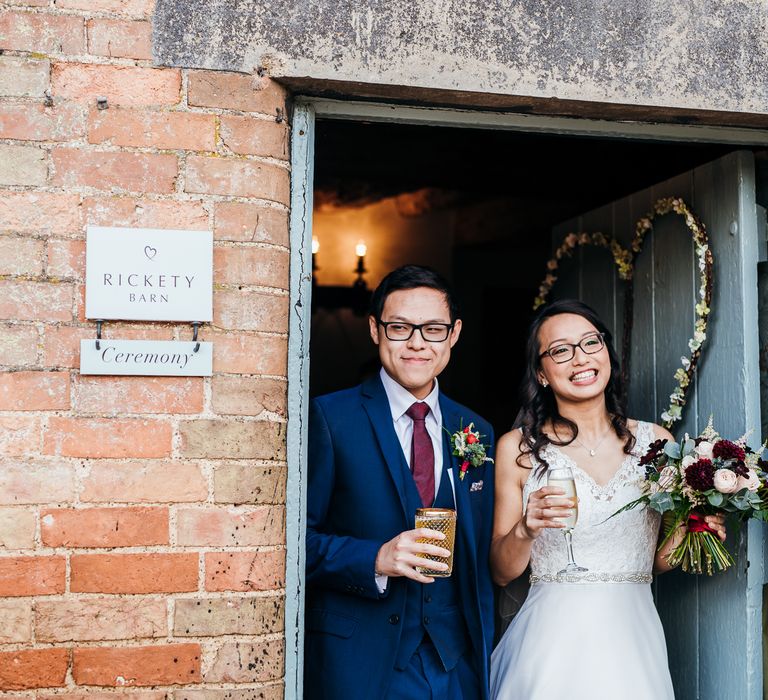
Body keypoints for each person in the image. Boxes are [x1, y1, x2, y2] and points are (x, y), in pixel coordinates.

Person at [489, 299, 726, 699]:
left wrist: (696, 529)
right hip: (551, 645)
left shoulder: (657, 444)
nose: (580, 359)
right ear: (542, 374)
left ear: (608, 355)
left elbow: (653, 560)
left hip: (633, 640)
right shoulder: (519, 449)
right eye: (561, 350)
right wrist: (526, 528)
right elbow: (501, 572)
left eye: (590, 343)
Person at [305, 265, 496, 700]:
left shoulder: (477, 430)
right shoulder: (330, 419)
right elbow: (296, 545)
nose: (416, 343)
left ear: (454, 334)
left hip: (455, 665)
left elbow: (481, 553)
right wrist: (374, 558)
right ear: (375, 330)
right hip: (362, 664)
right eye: (399, 327)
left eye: (432, 329)